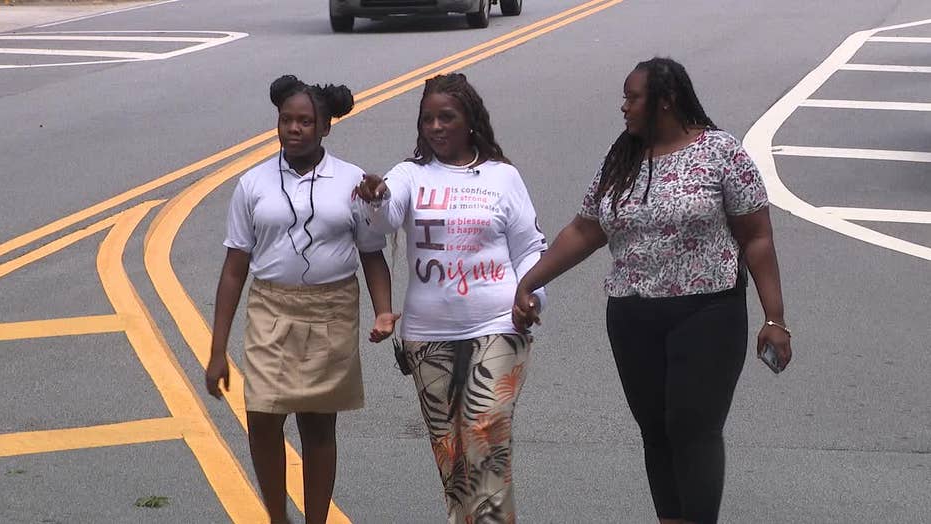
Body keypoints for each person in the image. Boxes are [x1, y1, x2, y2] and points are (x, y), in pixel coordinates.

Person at [513, 57, 793, 524]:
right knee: (657, 431)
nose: (623, 107)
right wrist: (531, 280)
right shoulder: (622, 158)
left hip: (708, 313)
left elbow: (757, 238)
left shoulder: (721, 152)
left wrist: (774, 317)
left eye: (632, 97)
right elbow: (585, 229)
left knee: (693, 427)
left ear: (665, 101)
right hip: (632, 316)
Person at [354, 73, 547, 524]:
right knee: (453, 457)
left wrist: (532, 296)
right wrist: (377, 196)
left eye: (447, 117)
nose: (436, 127)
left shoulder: (503, 177)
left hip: (499, 325)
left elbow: (530, 247)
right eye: (428, 119)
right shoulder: (410, 175)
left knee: (484, 437)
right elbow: (384, 221)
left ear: (470, 122)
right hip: (428, 336)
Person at [205, 74, 398, 524]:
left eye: (305, 122)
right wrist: (217, 350)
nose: (294, 129)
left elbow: (372, 256)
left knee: (317, 426)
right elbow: (234, 270)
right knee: (263, 419)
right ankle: (277, 517)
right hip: (271, 308)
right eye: (286, 120)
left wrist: (384, 311)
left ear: (325, 128)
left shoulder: (352, 181)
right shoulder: (251, 184)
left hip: (331, 309)